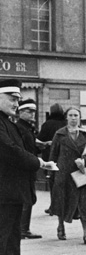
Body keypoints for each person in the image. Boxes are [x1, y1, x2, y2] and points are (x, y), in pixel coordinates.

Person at [0, 79, 47, 255]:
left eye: (18, 99)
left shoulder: (8, 121)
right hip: (3, 191)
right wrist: (39, 163)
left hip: (11, 191)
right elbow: (9, 150)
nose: (16, 103)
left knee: (11, 238)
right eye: (12, 98)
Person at [49, 107, 86, 245]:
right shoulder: (59, 134)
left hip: (81, 173)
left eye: (76, 115)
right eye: (71, 115)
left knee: (85, 204)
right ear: (66, 118)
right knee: (61, 201)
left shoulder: (85, 134)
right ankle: (61, 226)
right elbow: (53, 154)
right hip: (64, 173)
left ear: (80, 118)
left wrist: (85, 160)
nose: (74, 118)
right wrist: (51, 172)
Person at [16, 99, 43, 239]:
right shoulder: (20, 128)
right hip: (25, 169)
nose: (33, 114)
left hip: (29, 167)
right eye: (29, 111)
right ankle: (23, 229)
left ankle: (23, 228)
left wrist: (39, 147)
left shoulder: (27, 128)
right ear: (20, 112)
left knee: (29, 197)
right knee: (27, 198)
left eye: (34, 111)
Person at [37, 103, 66, 214]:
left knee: (52, 183)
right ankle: (64, 206)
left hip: (50, 158)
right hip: (64, 158)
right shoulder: (66, 123)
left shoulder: (47, 124)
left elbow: (39, 140)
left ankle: (54, 207)